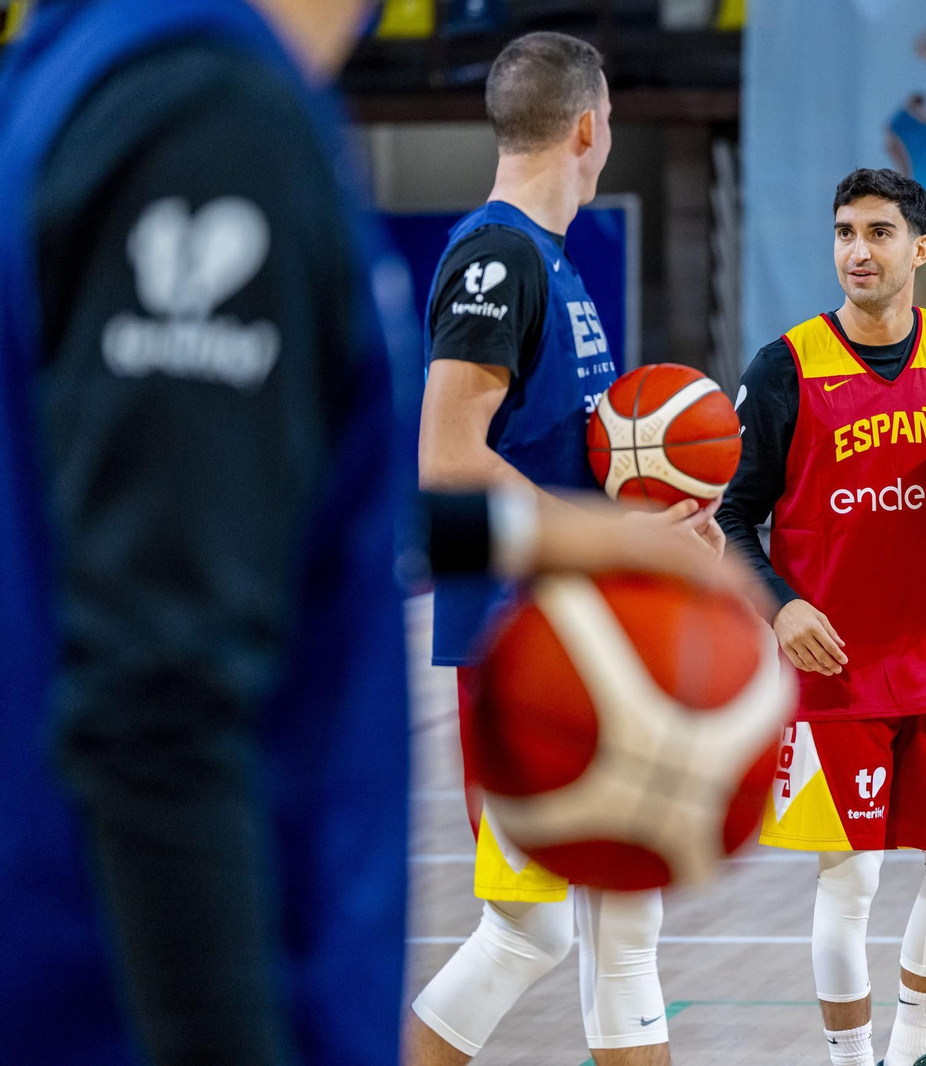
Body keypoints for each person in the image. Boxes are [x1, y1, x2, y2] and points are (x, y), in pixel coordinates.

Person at [0, 3, 747, 1064]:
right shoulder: (205, 114)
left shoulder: (114, 68)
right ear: (593, 125)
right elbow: (157, 687)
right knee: (565, 933)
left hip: (156, 938)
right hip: (143, 979)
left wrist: (583, 539)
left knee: (554, 933)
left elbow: (286, 518)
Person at [408, 31, 721, 1066]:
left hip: (578, 630)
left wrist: (659, 519)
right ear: (589, 126)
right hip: (516, 643)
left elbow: (555, 461)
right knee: (533, 928)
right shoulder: (496, 257)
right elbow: (448, 459)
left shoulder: (550, 262)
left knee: (622, 924)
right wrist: (613, 534)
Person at [720, 168, 926, 1066]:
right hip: (836, 670)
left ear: (921, 249)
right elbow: (730, 516)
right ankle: (852, 1062)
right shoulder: (785, 365)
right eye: (842, 233)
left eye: (876, 233)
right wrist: (781, 606)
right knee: (852, 876)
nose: (856, 252)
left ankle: (916, 1050)